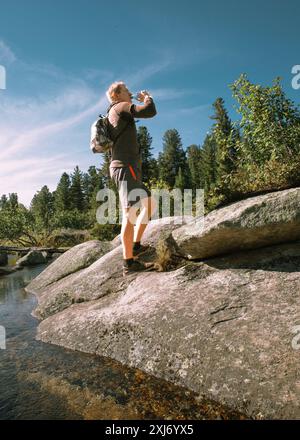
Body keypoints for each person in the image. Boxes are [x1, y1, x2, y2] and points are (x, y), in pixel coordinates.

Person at [105, 81, 158, 276]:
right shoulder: (121, 106)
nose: (130, 92)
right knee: (130, 214)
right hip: (125, 168)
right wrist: (147, 98)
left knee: (149, 204)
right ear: (117, 95)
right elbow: (149, 111)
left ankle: (135, 245)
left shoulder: (114, 111)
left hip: (126, 168)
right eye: (126, 90)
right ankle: (129, 263)